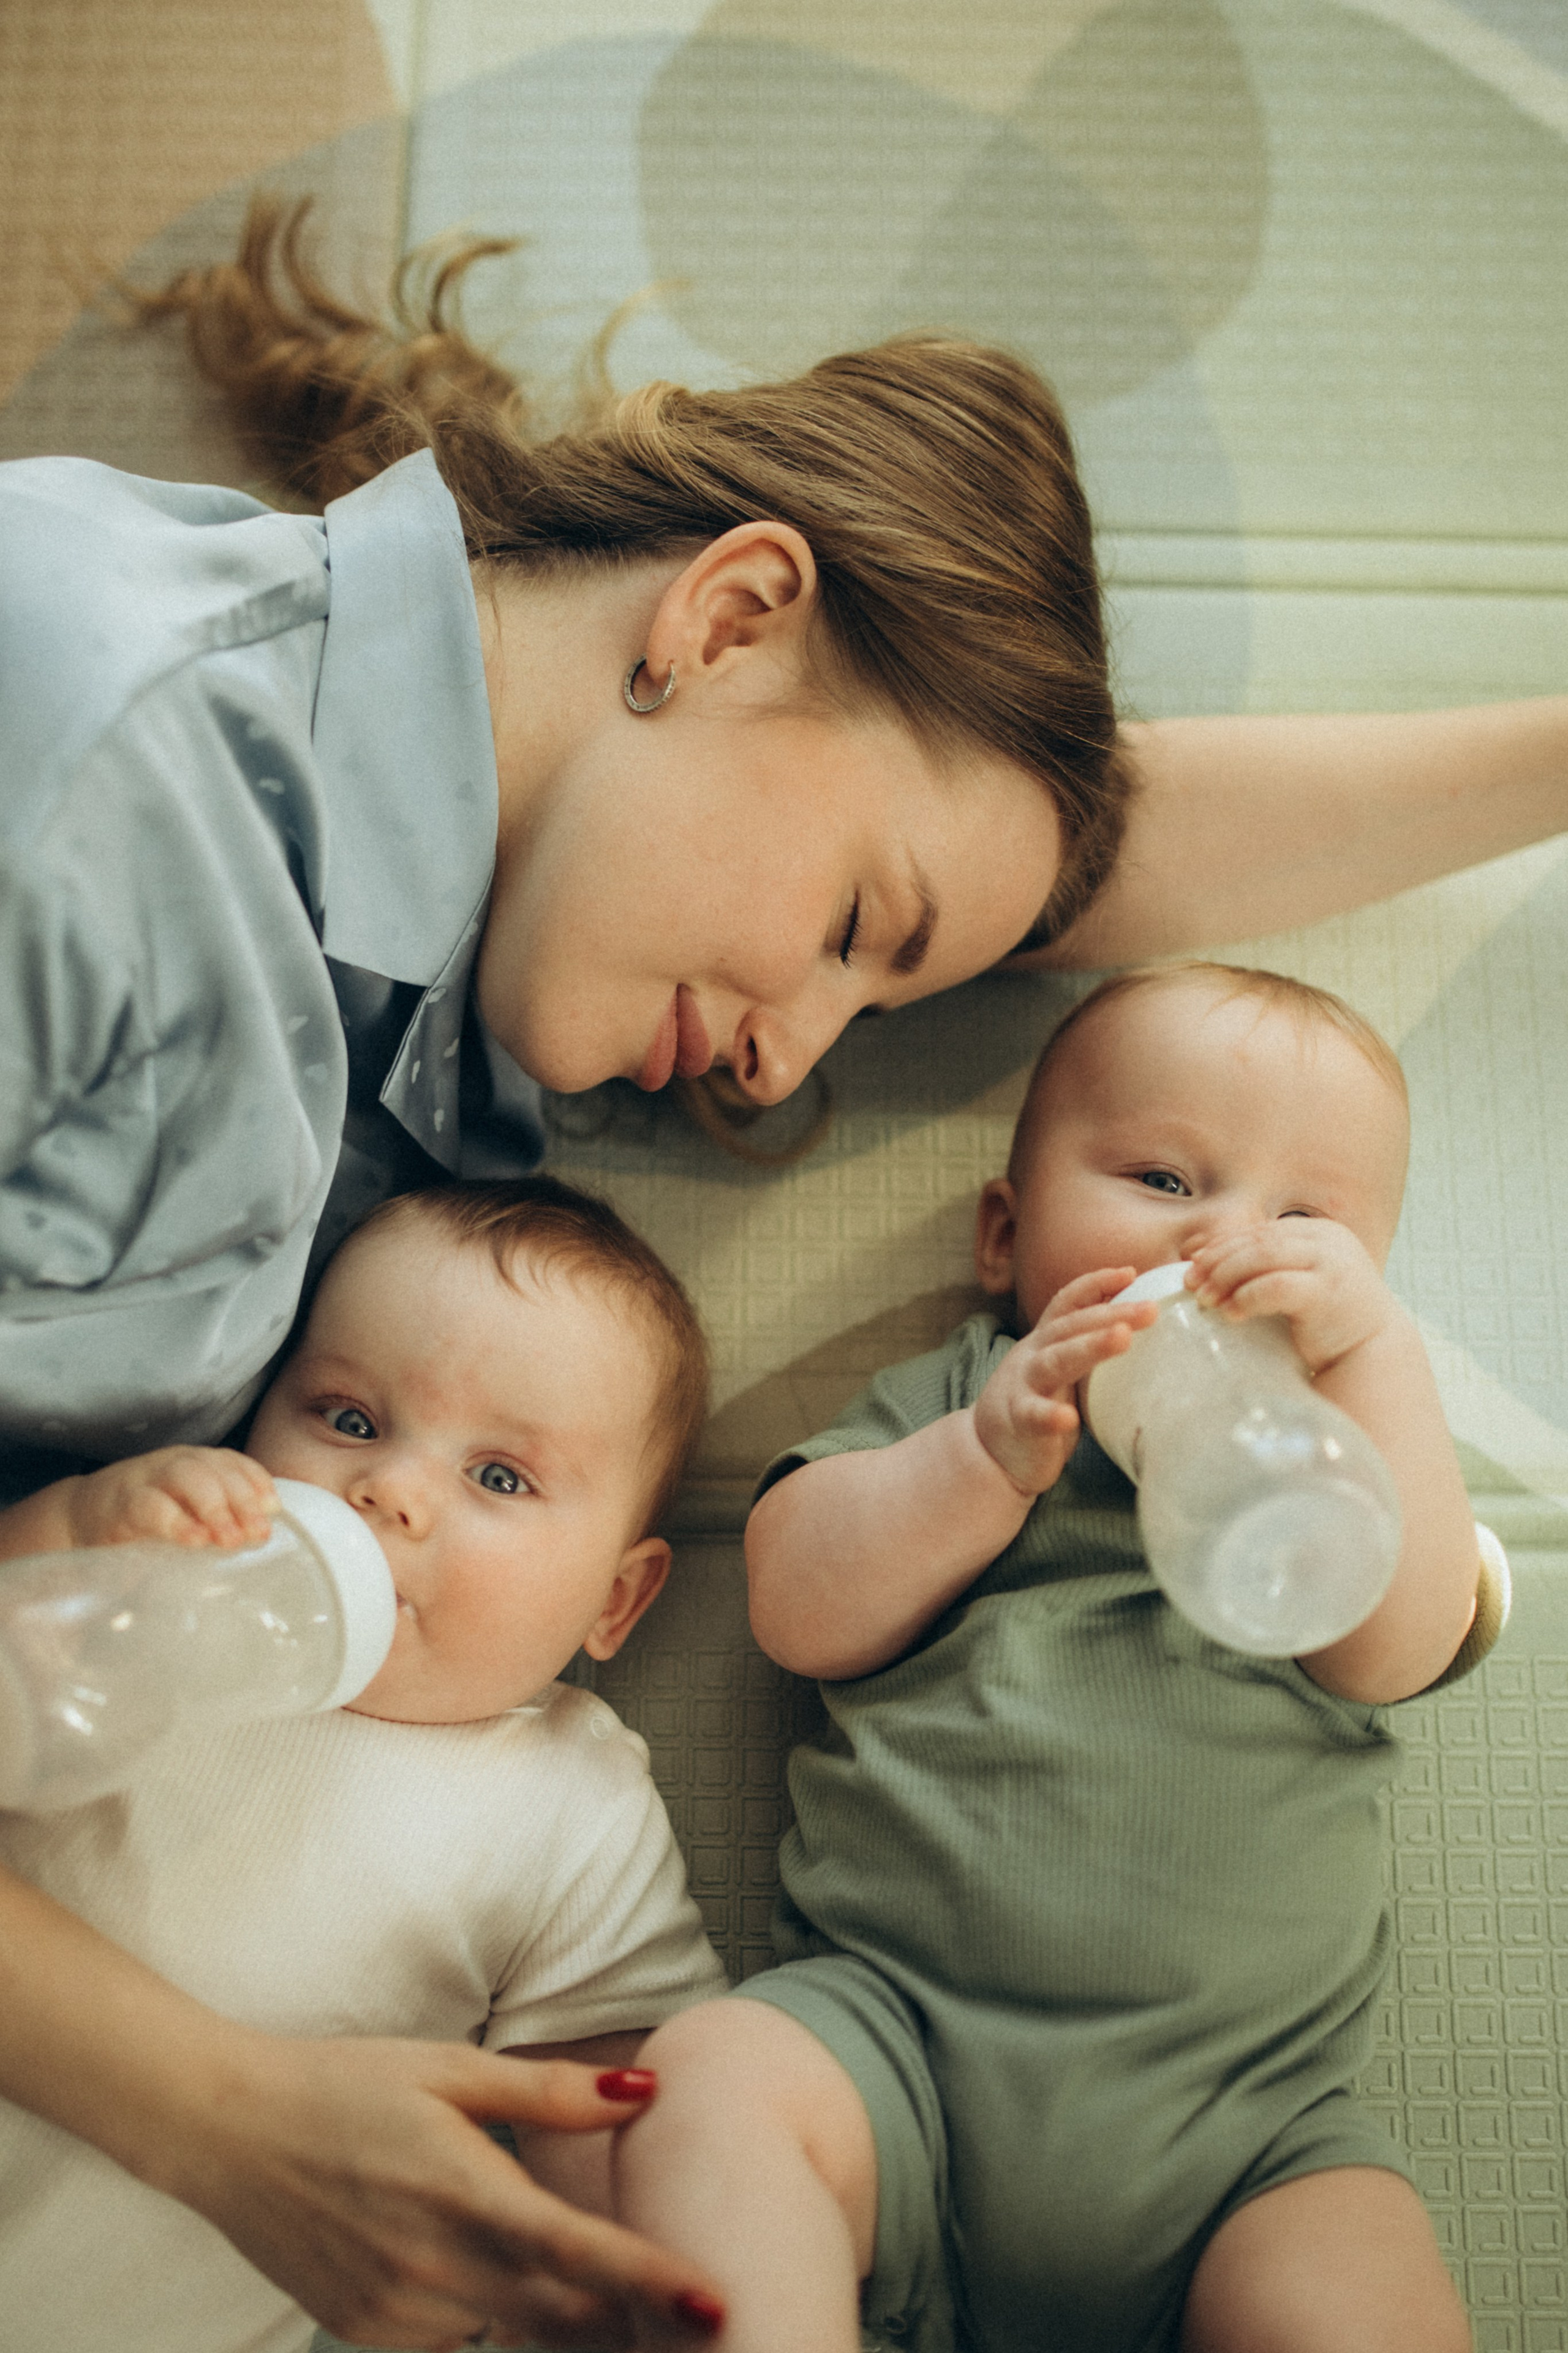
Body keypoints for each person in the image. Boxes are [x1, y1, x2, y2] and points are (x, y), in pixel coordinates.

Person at [0, 198, 1560, 2336]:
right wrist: (214, 2118)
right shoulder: (83, 751)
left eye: (880, 986)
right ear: (728, 613)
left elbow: (1078, 850)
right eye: (854, 935)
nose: (787, 1060)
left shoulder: (485, 955)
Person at [614, 964, 1507, 2353]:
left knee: (1359, 2294)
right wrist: (981, 1458)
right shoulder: (965, 1396)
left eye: (1306, 1224)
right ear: (1003, 1234)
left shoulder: (1344, 1463)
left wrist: (1375, 1362)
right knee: (709, 2085)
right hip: (894, 2053)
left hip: (1244, 2130)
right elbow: (794, 1604)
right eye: (1162, 1179)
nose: (1222, 1242)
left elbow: (1398, 1650)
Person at [0, 1173, 732, 2353]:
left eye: (499, 1476)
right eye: (347, 1418)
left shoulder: (569, 1798)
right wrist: (72, 1530)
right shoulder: (164, 1586)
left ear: (616, 1599)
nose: (389, 1489)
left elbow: (605, 2103)